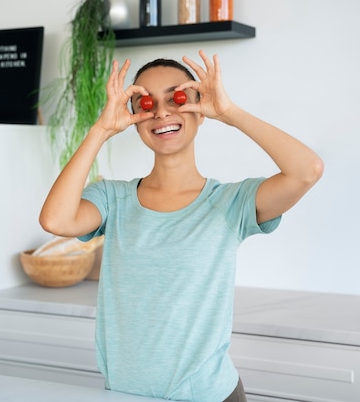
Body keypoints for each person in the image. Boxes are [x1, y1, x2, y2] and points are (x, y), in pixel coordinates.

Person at [39, 50, 324, 402]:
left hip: (210, 396)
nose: (161, 112)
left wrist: (229, 113)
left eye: (176, 98)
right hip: (126, 394)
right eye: (146, 103)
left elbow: (307, 170)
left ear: (198, 107)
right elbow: (55, 219)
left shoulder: (229, 203)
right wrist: (101, 130)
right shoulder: (113, 199)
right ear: (134, 116)